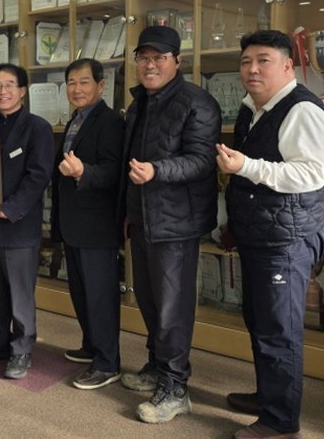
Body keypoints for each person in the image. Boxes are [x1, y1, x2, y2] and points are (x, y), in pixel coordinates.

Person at [216, 30, 324, 439]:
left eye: (263, 60)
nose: (252, 69)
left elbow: (311, 174)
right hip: (261, 234)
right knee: (261, 322)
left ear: (287, 66)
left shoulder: (303, 109)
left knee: (279, 330)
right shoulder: (252, 107)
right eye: (246, 61)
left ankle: (280, 422)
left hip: (286, 241)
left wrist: (246, 166)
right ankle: (270, 397)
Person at [119, 26, 221, 423]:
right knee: (148, 300)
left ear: (177, 61)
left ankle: (176, 387)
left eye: (159, 58)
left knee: (171, 309)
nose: (150, 65)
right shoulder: (140, 103)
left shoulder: (197, 102)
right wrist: (126, 212)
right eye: (143, 58)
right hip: (143, 218)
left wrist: (157, 171)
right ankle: (158, 366)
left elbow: (202, 160)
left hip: (176, 223)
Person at [0, 63, 54, 379]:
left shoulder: (38, 127)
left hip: (17, 225)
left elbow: (38, 176)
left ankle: (22, 350)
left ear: (22, 90)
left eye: (9, 85)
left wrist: (11, 207)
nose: (2, 91)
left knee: (20, 293)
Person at [51, 58, 125, 390]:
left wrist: (84, 172)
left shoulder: (110, 122)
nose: (76, 89)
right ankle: (92, 345)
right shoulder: (76, 120)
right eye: (71, 82)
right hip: (74, 223)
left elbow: (114, 170)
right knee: (81, 291)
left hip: (97, 225)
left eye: (84, 82)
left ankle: (108, 363)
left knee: (100, 296)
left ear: (101, 85)